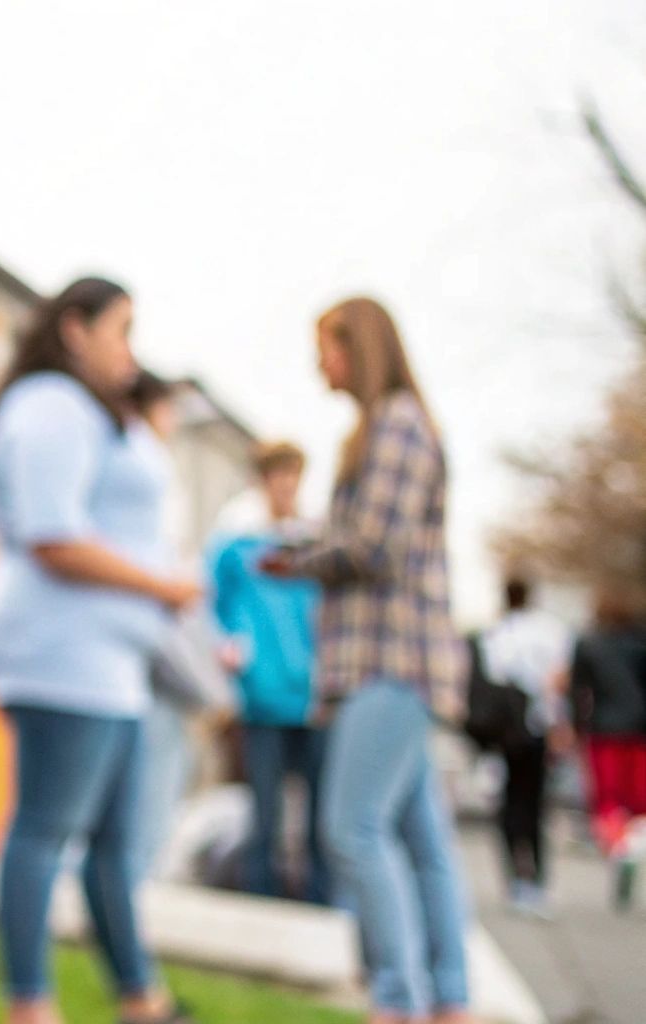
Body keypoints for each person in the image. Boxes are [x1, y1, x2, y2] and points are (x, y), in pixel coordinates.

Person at [0, 278, 200, 1024]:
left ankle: (142, 998)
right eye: (121, 329)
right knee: (41, 832)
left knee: (114, 845)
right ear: (74, 329)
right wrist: (161, 586)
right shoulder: (51, 408)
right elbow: (53, 536)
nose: (131, 350)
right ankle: (28, 1007)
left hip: (113, 663)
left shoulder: (86, 413)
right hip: (62, 656)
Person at [263, 297, 471, 1024]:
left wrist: (296, 561)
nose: (319, 362)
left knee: (351, 828)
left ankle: (398, 999)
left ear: (361, 347)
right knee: (419, 839)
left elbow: (372, 547)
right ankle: (448, 999)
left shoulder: (398, 428)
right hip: (389, 665)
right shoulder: (383, 431)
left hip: (392, 663)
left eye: (327, 346)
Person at [209, 441, 328, 903]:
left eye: (293, 477)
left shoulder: (316, 546)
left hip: (314, 699)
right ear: (263, 482)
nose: (286, 487)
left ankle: (319, 905)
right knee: (264, 814)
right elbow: (212, 610)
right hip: (261, 698)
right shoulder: (236, 549)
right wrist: (231, 655)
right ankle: (260, 906)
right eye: (277, 477)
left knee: (320, 817)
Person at [129, 370, 231, 875]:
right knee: (143, 806)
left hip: (159, 679)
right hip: (149, 676)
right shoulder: (133, 471)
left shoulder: (155, 482)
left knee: (155, 801)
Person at [477, 578, 572, 915]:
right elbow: (560, 681)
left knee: (510, 804)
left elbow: (492, 680)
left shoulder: (497, 634)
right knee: (534, 803)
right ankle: (538, 879)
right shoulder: (550, 631)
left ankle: (516, 879)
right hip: (539, 726)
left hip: (507, 732)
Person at [565, 589, 646, 907]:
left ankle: (620, 853)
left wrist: (575, 727)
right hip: (640, 730)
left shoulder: (588, 644)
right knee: (639, 801)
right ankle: (634, 848)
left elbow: (576, 691)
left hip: (604, 731)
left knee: (608, 801)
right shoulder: (641, 643)